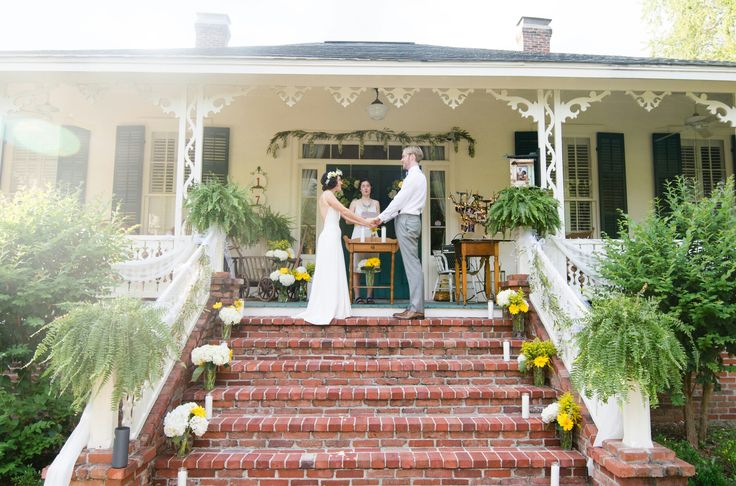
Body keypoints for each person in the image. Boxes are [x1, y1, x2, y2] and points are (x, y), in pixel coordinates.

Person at [296, 169, 372, 325]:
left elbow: (344, 216)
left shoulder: (331, 196)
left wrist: (367, 223)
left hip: (333, 237)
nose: (342, 182)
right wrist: (367, 222)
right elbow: (345, 211)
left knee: (334, 270)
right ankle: (327, 306)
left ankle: (336, 306)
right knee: (330, 270)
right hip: (329, 237)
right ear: (333, 182)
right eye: (339, 180)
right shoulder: (328, 195)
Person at [370, 146, 427, 320]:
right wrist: (385, 218)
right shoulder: (417, 177)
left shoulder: (414, 177)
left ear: (411, 156)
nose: (401, 160)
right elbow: (402, 203)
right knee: (411, 264)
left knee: (412, 265)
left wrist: (381, 218)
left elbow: (399, 201)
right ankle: (413, 306)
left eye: (403, 156)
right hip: (408, 219)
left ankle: (416, 308)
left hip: (408, 220)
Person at [348, 179, 381, 304]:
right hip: (358, 234)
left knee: (371, 266)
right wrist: (361, 220)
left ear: (370, 188)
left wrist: (374, 221)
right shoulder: (355, 203)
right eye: (363, 186)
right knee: (357, 266)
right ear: (360, 189)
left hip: (372, 234)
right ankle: (357, 296)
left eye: (368, 186)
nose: (366, 188)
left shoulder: (376, 203)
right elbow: (348, 220)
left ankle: (369, 296)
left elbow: (379, 220)